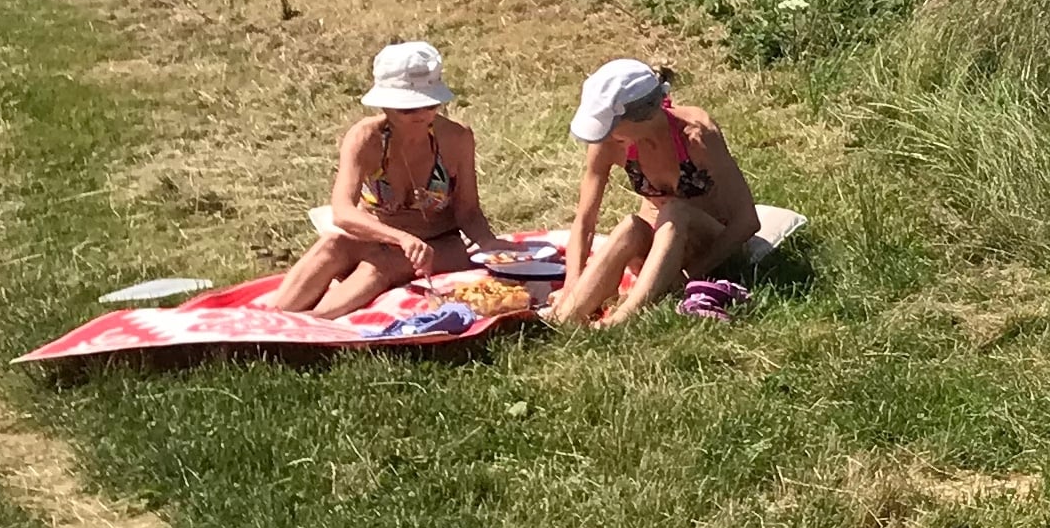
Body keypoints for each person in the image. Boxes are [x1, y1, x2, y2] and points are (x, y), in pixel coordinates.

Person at [275, 42, 497, 317]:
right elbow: (342, 212)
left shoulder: (456, 138)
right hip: (379, 233)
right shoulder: (365, 139)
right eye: (409, 109)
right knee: (332, 245)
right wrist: (399, 237)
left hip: (440, 242)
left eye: (430, 105)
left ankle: (309, 324)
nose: (422, 115)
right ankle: (274, 317)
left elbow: (469, 211)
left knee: (383, 262)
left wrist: (491, 246)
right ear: (386, 105)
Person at [544, 57, 760, 328]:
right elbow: (585, 223)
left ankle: (620, 322)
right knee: (631, 226)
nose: (605, 137)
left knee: (675, 211)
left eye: (611, 128)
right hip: (658, 256)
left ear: (643, 115)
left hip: (711, 250)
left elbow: (747, 221)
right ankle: (567, 317)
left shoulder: (696, 135)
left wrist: (688, 276)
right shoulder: (611, 143)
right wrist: (571, 287)